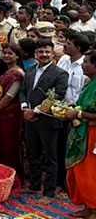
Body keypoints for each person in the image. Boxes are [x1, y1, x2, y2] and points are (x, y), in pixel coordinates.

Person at [20, 39, 69, 203]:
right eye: (40, 52)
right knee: (33, 154)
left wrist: (35, 111)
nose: (44, 55)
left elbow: (57, 96)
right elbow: (23, 91)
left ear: (53, 54)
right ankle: (34, 185)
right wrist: (25, 108)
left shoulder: (60, 73)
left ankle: (49, 192)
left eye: (47, 52)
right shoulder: (30, 70)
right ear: (35, 54)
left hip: (48, 121)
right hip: (29, 119)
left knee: (50, 157)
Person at [64, 51, 96, 219]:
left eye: (86, 63)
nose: (82, 65)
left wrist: (79, 114)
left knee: (90, 173)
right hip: (81, 132)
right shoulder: (89, 83)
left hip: (92, 136)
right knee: (79, 172)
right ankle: (88, 207)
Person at [56, 33, 88, 190]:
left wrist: (75, 111)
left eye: (69, 43)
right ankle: (60, 181)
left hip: (76, 113)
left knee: (73, 148)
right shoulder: (63, 60)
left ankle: (72, 183)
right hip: (59, 110)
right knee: (59, 147)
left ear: (78, 48)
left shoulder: (87, 65)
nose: (65, 45)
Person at [0, 43, 25, 180]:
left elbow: (10, 96)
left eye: (10, 53)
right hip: (0, 112)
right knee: (0, 142)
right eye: (4, 53)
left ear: (17, 56)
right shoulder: (5, 70)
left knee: (9, 144)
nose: (7, 56)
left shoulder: (17, 74)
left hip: (10, 114)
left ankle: (10, 175)